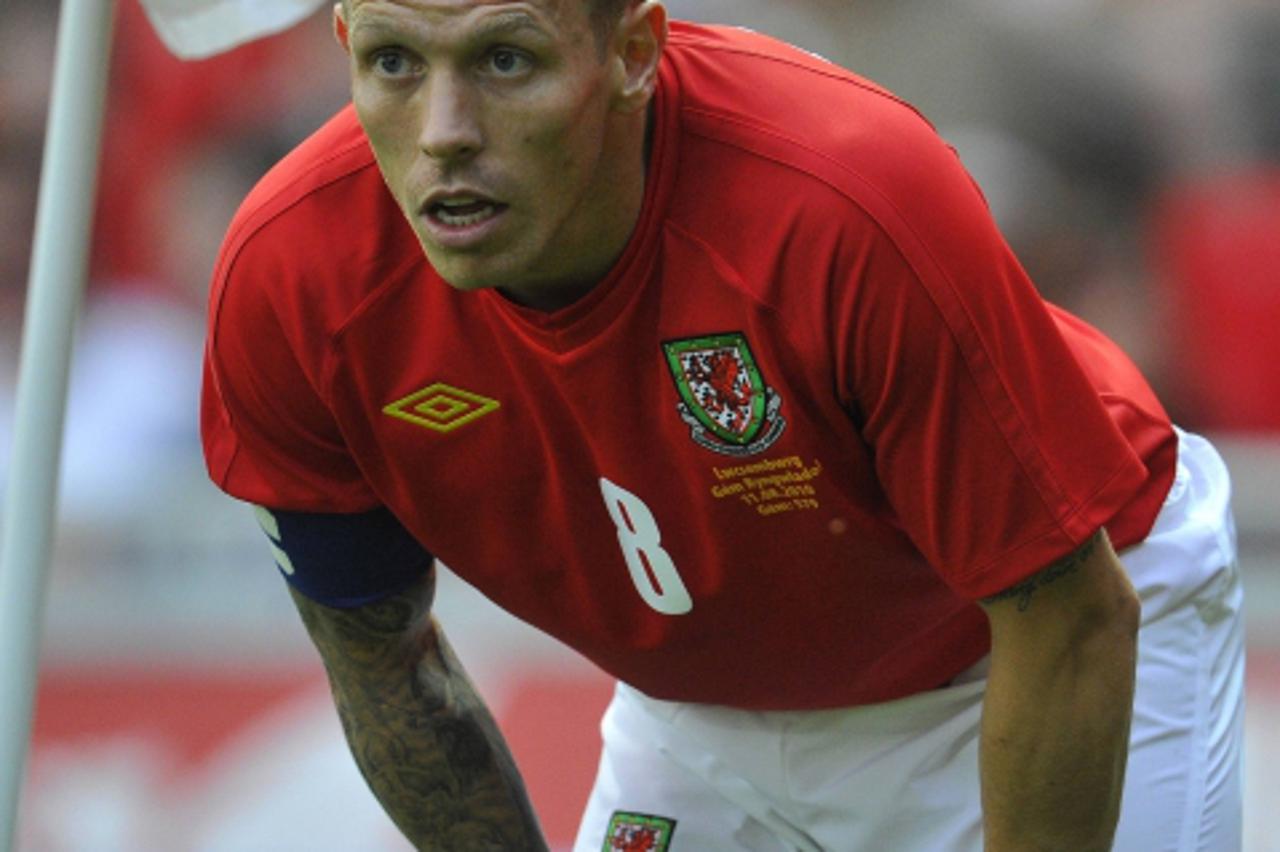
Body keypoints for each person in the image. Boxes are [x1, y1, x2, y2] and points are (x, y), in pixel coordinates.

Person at [199, 1, 1245, 849]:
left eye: (505, 60)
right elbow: (387, 669)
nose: (443, 131)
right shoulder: (291, 277)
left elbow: (1067, 617)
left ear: (632, 52)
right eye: (391, 61)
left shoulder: (841, 195)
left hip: (1030, 645)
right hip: (699, 713)